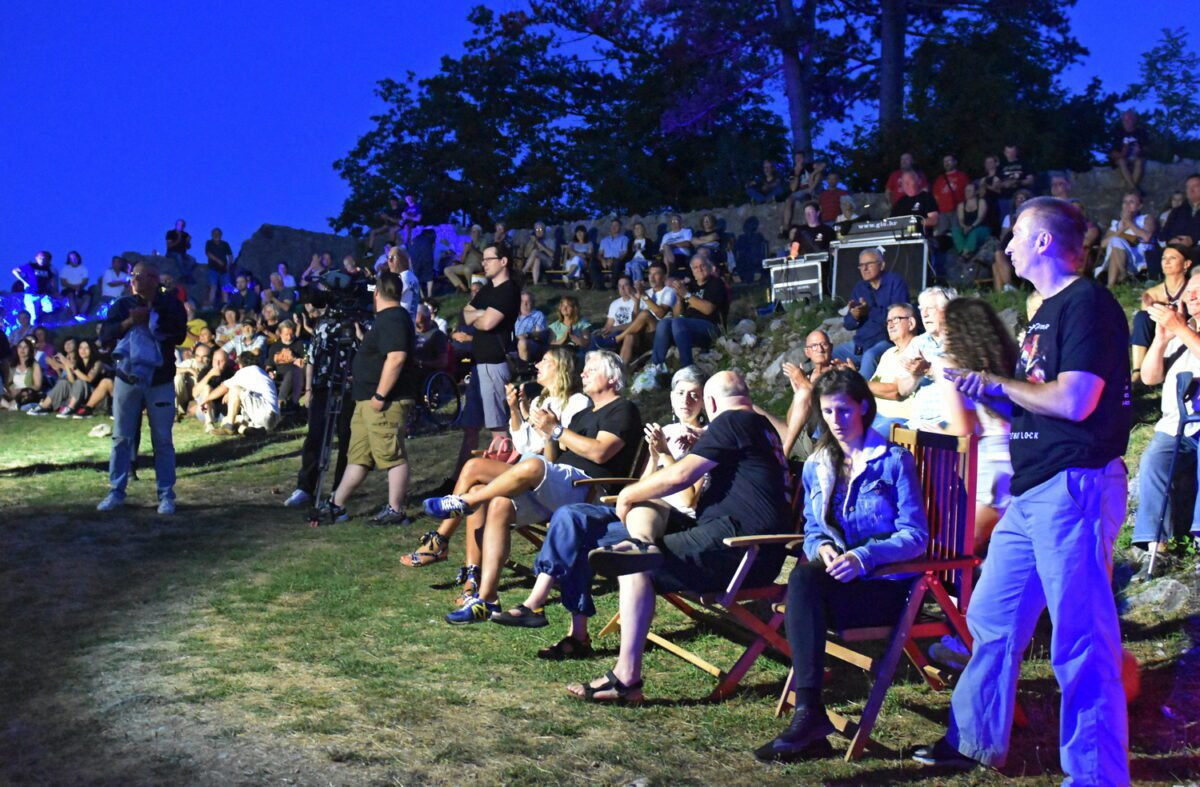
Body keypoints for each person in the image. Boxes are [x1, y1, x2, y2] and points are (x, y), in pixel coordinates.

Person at [913, 198, 1132, 786]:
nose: (1005, 247)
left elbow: (1075, 400)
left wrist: (994, 381)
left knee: (1081, 639)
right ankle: (976, 740)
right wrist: (979, 390)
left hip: (1075, 484)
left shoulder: (1087, 304)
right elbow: (1033, 404)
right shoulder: (1043, 312)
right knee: (991, 616)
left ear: (1042, 242)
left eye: (1014, 236)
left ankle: (1095, 776)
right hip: (1034, 491)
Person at [562, 371, 791, 704]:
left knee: (634, 564)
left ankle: (627, 680)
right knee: (647, 508)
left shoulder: (730, 423)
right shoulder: (760, 427)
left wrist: (627, 494)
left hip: (740, 549)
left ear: (710, 403)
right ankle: (641, 544)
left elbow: (682, 476)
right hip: (749, 546)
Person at [754, 368, 928, 761]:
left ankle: (809, 718)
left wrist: (863, 557)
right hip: (838, 582)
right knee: (804, 579)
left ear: (864, 408)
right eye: (828, 413)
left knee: (802, 588)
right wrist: (824, 548)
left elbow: (915, 536)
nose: (836, 421)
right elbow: (814, 528)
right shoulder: (819, 464)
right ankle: (809, 713)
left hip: (883, 588)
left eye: (844, 411)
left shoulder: (892, 462)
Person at [490, 367, 707, 651]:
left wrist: (666, 454)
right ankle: (552, 615)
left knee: (581, 532)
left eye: (694, 395)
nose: (686, 400)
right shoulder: (665, 431)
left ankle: (549, 615)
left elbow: (690, 499)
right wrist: (656, 456)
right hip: (641, 511)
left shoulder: (708, 438)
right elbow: (645, 483)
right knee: (570, 515)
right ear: (670, 397)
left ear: (705, 401)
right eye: (680, 393)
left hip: (673, 523)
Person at [424, 351, 642, 624]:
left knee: (533, 467)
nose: (583, 373)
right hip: (562, 483)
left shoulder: (622, 409)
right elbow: (553, 459)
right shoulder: (584, 414)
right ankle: (487, 599)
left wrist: (558, 431)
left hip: (589, 490)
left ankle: (467, 501)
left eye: (591, 369)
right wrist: (547, 432)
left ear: (612, 378)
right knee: (501, 504)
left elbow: (600, 453)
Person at [400, 348, 590, 584]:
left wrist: (550, 430)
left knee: (473, 467)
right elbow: (524, 443)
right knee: (476, 491)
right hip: (527, 465)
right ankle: (472, 576)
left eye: (545, 361)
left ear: (561, 368)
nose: (538, 364)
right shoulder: (544, 400)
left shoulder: (578, 402)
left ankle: (439, 540)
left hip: (548, 478)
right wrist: (514, 409)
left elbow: (565, 450)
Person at [322, 272, 417, 525]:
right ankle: (337, 505)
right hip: (367, 401)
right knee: (359, 456)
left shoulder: (393, 318)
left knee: (392, 455)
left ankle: (396, 511)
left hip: (384, 402)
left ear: (376, 293)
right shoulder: (388, 319)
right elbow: (383, 354)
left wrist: (379, 394)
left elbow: (396, 357)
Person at [97, 262, 188, 514]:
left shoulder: (170, 304)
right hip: (127, 379)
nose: (134, 280)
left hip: (159, 380)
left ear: (153, 278)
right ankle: (116, 491)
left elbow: (179, 335)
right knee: (121, 437)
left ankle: (166, 495)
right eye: (132, 276)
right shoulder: (122, 305)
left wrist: (153, 321)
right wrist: (129, 322)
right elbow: (106, 335)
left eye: (139, 276)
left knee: (162, 439)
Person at [1130, 272, 1200, 579]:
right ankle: (1156, 546)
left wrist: (1180, 329)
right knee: (1153, 461)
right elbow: (1149, 378)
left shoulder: (1186, 332)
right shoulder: (1181, 333)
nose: (1193, 296)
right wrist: (1160, 340)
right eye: (1191, 292)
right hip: (1175, 427)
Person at [939, 298, 1019, 550]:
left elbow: (964, 427)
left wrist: (928, 434)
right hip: (1018, 452)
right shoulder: (1006, 356)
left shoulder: (950, 366)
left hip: (993, 464)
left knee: (954, 547)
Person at [453, 245, 521, 474]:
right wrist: (481, 315)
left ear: (503, 261)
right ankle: (459, 478)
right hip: (479, 364)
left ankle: (502, 479)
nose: (483, 263)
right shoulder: (487, 290)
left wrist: (480, 316)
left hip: (493, 364)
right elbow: (464, 314)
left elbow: (488, 323)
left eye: (488, 259)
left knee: (498, 427)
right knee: (471, 425)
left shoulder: (508, 290)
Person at [636, 255, 728, 389]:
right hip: (686, 328)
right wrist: (679, 298)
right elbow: (678, 314)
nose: (699, 269)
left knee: (678, 323)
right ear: (692, 270)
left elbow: (708, 309)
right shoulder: (690, 286)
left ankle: (686, 368)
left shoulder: (716, 284)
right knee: (665, 322)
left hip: (710, 327)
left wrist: (686, 295)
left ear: (709, 267)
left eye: (702, 266)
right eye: (695, 267)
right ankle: (656, 368)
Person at [835, 247, 910, 376]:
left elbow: (898, 319)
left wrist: (869, 311)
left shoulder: (895, 283)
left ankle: (863, 393)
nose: (864, 269)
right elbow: (848, 325)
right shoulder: (859, 287)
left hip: (886, 341)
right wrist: (854, 316)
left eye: (868, 264)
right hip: (860, 344)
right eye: (861, 265)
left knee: (869, 357)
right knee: (831, 354)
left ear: (882, 265)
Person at [898, 286, 958, 432]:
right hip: (919, 421)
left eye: (929, 308)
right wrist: (915, 375)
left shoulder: (961, 340)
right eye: (921, 309)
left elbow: (965, 377)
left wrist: (929, 370)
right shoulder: (918, 343)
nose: (923, 315)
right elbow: (902, 390)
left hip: (950, 421)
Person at [1131, 244, 1192, 385]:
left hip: (1184, 333)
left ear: (1186, 264)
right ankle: (1138, 371)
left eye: (1172, 258)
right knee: (1142, 317)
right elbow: (1145, 326)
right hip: (1159, 336)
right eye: (1164, 258)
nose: (1166, 261)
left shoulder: (1192, 289)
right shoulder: (1152, 293)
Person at [866, 303, 919, 434]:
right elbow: (872, 386)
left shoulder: (920, 348)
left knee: (862, 440)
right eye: (888, 321)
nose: (890, 325)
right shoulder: (888, 353)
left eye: (896, 319)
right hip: (875, 415)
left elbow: (896, 392)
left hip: (898, 421)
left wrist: (856, 382)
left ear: (911, 323)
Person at [199, 352, 281, 436]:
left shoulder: (244, 372)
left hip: (263, 413)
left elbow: (223, 388)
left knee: (235, 389)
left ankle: (229, 426)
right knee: (225, 420)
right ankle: (246, 430)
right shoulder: (262, 373)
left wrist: (205, 399)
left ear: (240, 364)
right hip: (273, 418)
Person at [614, 261, 677, 366]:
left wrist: (644, 296)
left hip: (660, 333)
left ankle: (617, 339)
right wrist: (637, 301)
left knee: (646, 314)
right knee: (630, 336)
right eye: (650, 274)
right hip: (645, 333)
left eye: (656, 274)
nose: (652, 278)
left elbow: (660, 313)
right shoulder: (647, 292)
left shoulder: (669, 292)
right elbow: (634, 321)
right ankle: (622, 370)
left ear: (664, 276)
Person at [1096, 190, 1157, 287]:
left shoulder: (1146, 219)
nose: (1127, 205)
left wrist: (1129, 222)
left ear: (1139, 206)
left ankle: (1115, 282)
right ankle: (1119, 280)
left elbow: (1146, 237)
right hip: (1120, 258)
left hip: (1140, 259)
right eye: (1125, 202)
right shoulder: (1116, 224)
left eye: (1131, 202)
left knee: (1116, 241)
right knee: (1115, 241)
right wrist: (1121, 230)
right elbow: (1103, 244)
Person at [591, 276, 638, 351]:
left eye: (625, 285)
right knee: (595, 337)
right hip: (614, 332)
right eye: (620, 286)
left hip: (627, 332)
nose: (622, 288)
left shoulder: (637, 302)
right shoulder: (615, 303)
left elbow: (635, 323)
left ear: (631, 286)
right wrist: (604, 331)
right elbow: (609, 323)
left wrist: (614, 328)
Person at [266, 320, 306, 408]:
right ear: (280, 334)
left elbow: (305, 361)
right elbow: (269, 364)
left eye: (291, 334)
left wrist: (295, 359)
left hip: (295, 375)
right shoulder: (274, 346)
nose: (289, 337)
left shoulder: (299, 344)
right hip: (278, 374)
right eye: (286, 334)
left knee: (292, 372)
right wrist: (270, 372)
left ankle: (280, 401)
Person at [932, 155, 970, 238]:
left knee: (957, 233)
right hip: (943, 213)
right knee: (941, 235)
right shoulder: (939, 179)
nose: (947, 163)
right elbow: (936, 196)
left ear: (955, 162)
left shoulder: (962, 176)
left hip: (957, 210)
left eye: (949, 161)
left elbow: (968, 192)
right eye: (945, 162)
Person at [951, 182, 991, 260]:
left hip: (981, 227)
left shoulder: (981, 202)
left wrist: (971, 227)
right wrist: (964, 227)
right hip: (967, 227)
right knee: (955, 230)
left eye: (970, 190)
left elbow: (980, 218)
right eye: (966, 190)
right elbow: (961, 219)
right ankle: (962, 251)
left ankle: (967, 252)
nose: (967, 192)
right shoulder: (961, 205)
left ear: (975, 192)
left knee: (974, 232)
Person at [1110, 109, 1146, 192]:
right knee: (1121, 161)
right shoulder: (1118, 133)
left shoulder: (1140, 132)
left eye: (1130, 119)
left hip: (1136, 157)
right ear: (1122, 121)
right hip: (1122, 158)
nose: (1128, 121)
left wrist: (1139, 150)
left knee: (1139, 162)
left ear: (1134, 120)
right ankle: (1133, 189)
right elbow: (1112, 153)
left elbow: (1147, 148)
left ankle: (1131, 189)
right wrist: (1122, 153)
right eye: (1126, 119)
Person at [996, 144, 1034, 220]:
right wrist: (1004, 184)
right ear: (1004, 153)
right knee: (1006, 220)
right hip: (1006, 197)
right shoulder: (1001, 166)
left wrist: (1017, 182)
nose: (1010, 154)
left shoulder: (1023, 163)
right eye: (1008, 152)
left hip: (1021, 197)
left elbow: (1030, 180)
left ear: (1016, 152)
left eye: (1012, 152)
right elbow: (996, 183)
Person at [444, 224, 485, 292]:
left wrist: (471, 249)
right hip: (466, 265)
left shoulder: (483, 242)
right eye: (472, 231)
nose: (473, 233)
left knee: (467, 269)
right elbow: (462, 261)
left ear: (480, 233)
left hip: (477, 264)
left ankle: (470, 289)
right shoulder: (468, 244)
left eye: (475, 231)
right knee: (447, 270)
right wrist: (465, 251)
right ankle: (462, 287)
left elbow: (482, 257)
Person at [512, 290, 548, 364]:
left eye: (528, 301)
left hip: (531, 343)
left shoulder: (538, 315)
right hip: (512, 342)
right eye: (522, 301)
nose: (525, 304)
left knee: (523, 342)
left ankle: (524, 368)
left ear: (533, 303)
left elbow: (541, 334)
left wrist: (528, 335)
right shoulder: (513, 315)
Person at [205, 228, 234, 308]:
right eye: (214, 233)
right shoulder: (209, 243)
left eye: (218, 233)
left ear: (221, 235)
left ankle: (225, 305)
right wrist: (218, 261)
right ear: (212, 234)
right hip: (213, 268)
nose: (216, 235)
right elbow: (208, 253)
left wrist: (230, 264)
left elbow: (230, 255)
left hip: (224, 270)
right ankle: (211, 304)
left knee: (226, 287)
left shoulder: (225, 244)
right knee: (213, 286)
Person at [521, 222, 556, 286]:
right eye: (536, 230)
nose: (538, 232)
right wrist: (533, 244)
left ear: (544, 230)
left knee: (535, 252)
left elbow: (552, 255)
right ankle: (535, 284)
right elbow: (526, 255)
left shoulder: (549, 240)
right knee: (537, 259)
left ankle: (523, 271)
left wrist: (541, 246)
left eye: (540, 229)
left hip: (548, 262)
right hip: (535, 262)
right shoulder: (532, 241)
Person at [59, 251, 91, 317]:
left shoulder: (83, 268)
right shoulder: (65, 269)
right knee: (70, 295)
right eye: (71, 258)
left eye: (75, 257)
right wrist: (73, 286)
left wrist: (79, 287)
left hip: (80, 288)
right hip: (68, 288)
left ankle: (81, 314)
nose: (74, 259)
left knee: (88, 297)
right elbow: (63, 282)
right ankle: (74, 313)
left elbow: (85, 280)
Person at [598, 219, 630, 286]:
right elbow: (600, 253)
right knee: (593, 263)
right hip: (605, 260)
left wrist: (613, 260)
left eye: (616, 225)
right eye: (612, 225)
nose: (614, 227)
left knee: (617, 263)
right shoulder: (604, 240)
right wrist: (602, 260)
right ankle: (599, 286)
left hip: (617, 259)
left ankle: (614, 285)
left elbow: (624, 253)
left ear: (620, 227)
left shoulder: (624, 239)